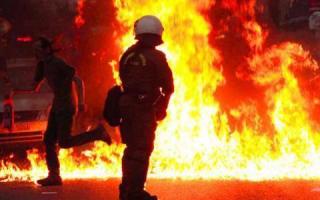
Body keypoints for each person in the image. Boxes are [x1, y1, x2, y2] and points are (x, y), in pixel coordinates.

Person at [26, 37, 112, 186]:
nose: (36, 53)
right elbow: (34, 87)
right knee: (49, 140)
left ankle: (98, 133)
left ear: (46, 49)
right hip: (56, 105)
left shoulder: (58, 63)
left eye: (38, 50)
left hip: (66, 105)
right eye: (34, 50)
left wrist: (82, 103)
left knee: (64, 142)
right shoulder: (42, 65)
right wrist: (15, 89)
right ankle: (54, 176)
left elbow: (78, 81)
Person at [118, 15, 174, 200]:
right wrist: (162, 107)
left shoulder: (127, 54)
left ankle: (126, 189)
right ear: (156, 35)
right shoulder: (157, 57)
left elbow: (123, 77)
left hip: (125, 106)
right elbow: (168, 87)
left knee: (131, 149)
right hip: (143, 109)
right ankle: (136, 193)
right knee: (142, 150)